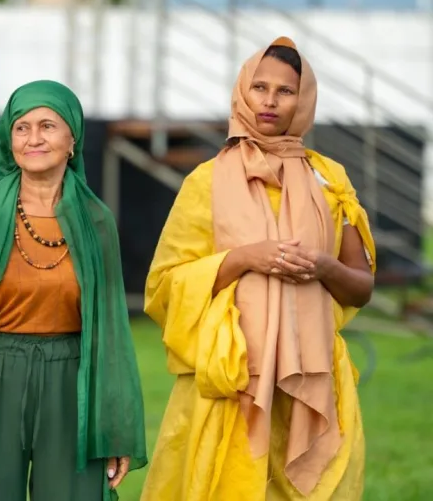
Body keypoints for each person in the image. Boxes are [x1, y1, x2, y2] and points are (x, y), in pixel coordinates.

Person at [141, 36, 376, 501]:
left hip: (312, 381)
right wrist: (246, 258)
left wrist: (324, 267)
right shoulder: (207, 181)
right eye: (259, 87)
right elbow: (165, 287)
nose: (269, 101)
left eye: (285, 91)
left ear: (304, 99)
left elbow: (361, 287)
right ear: (242, 92)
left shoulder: (329, 180)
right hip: (231, 379)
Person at [0, 80, 147, 501]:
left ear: (72, 139)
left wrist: (114, 426)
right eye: (21, 127)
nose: (33, 138)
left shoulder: (97, 221)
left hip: (71, 378)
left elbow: (112, 333)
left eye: (48, 125)